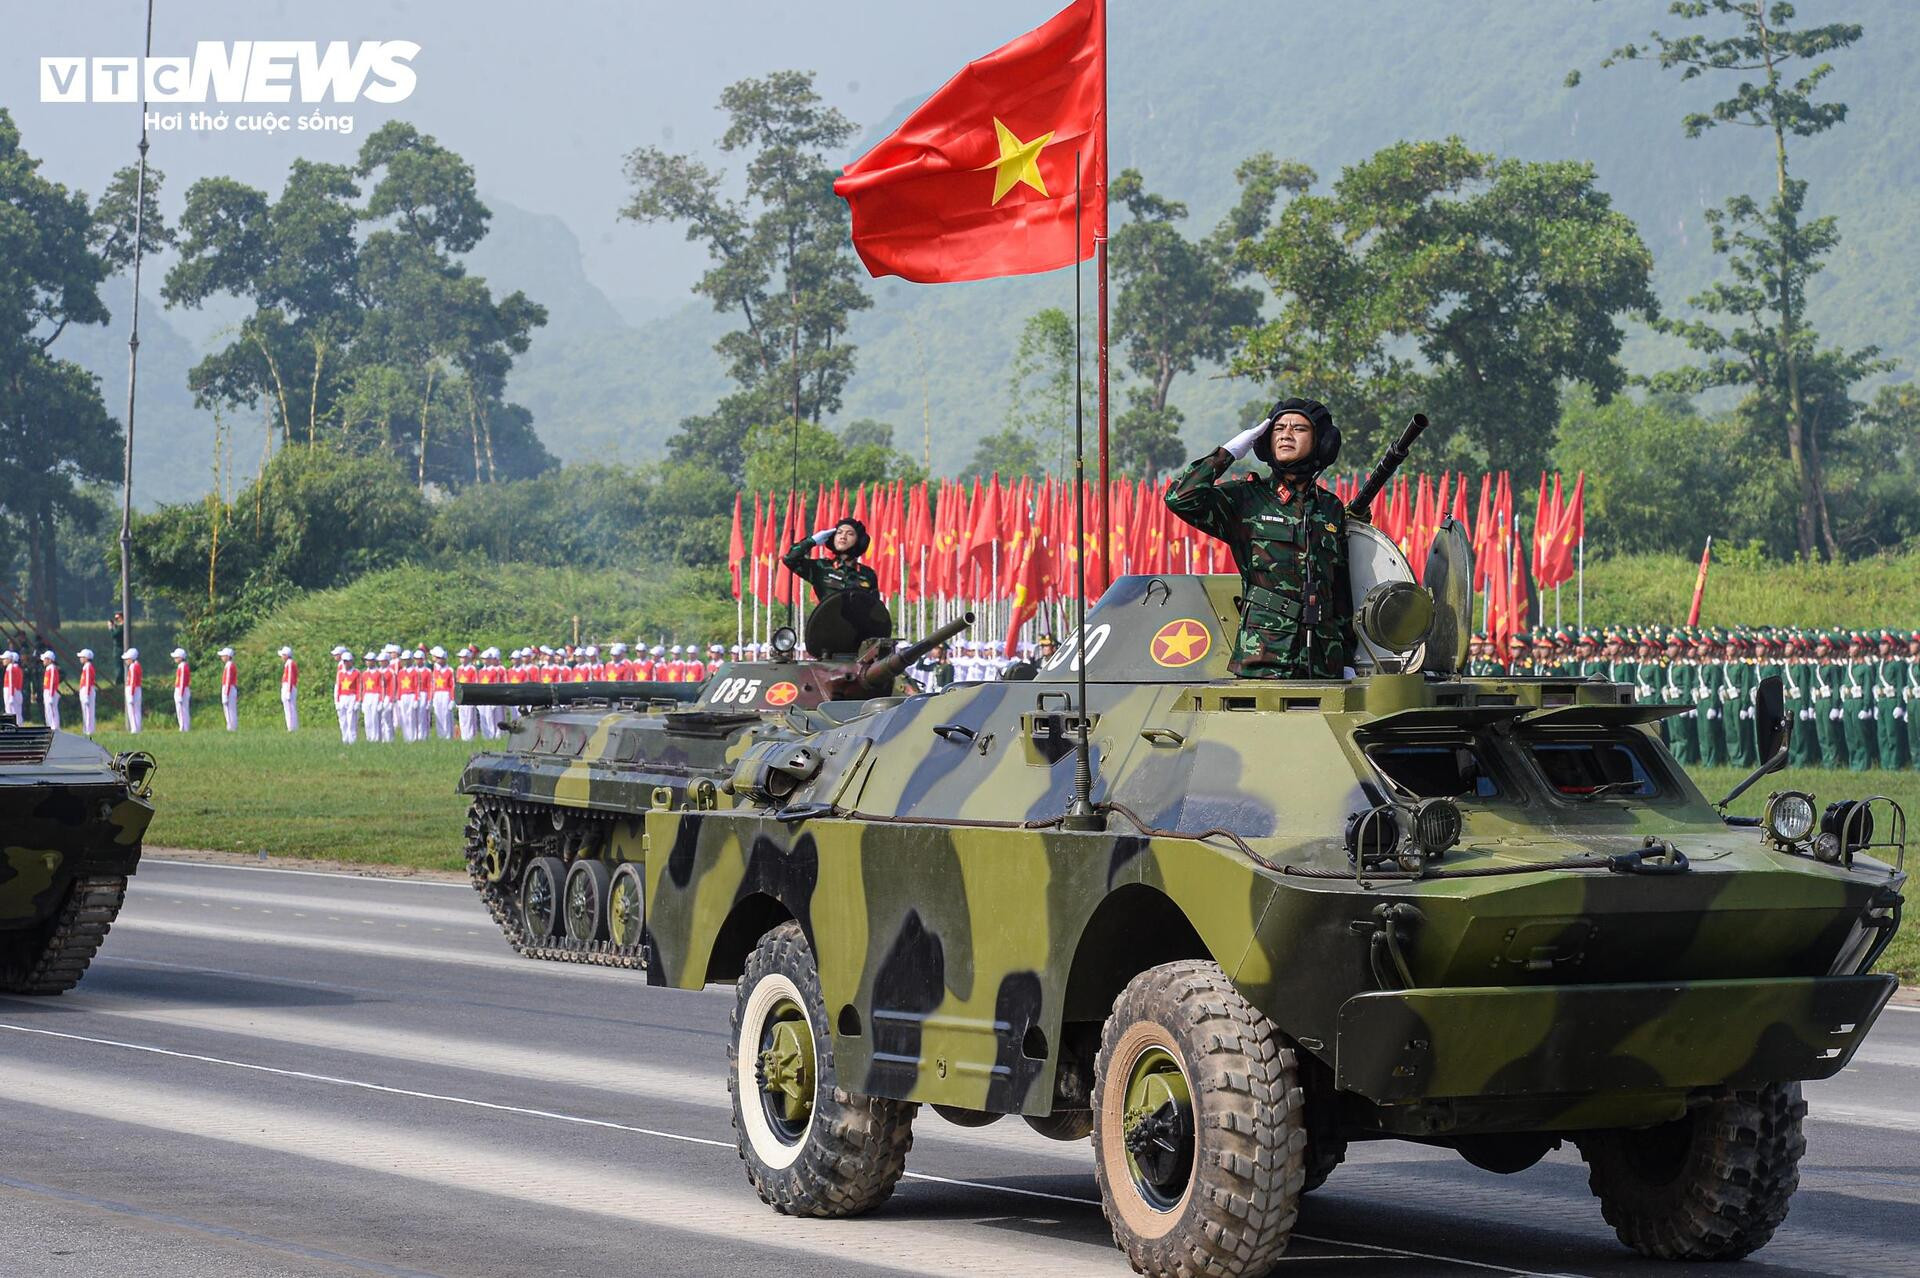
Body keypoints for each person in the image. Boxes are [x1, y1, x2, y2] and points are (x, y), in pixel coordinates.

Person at [1166, 398, 1354, 679]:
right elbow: (1181, 498)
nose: (1286, 434)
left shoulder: (1330, 507)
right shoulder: (1247, 499)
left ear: (1321, 442)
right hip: (1265, 656)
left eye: (1299, 428)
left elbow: (1339, 590)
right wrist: (1227, 453)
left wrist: (1347, 658)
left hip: (1323, 661)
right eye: (1279, 428)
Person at [784, 517, 879, 601]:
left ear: (859, 540)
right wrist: (812, 541)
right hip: (828, 620)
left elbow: (876, 609)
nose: (843, 537)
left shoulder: (868, 574)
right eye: (839, 533)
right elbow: (790, 559)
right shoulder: (821, 568)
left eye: (850, 534)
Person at [76, 648, 98, 735]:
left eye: (82, 657)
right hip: (85, 690)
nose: (80, 658)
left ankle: (89, 730)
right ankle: (86, 729)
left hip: (87, 690)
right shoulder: (86, 667)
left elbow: (88, 680)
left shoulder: (88, 667)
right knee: (85, 710)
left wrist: (87, 693)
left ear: (86, 658)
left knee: (89, 711)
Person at [278, 645, 300, 732]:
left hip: (288, 687)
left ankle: (291, 727)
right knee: (288, 708)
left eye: (283, 655)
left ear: (286, 655)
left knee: (290, 708)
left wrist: (288, 691)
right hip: (287, 686)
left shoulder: (290, 663)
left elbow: (290, 677)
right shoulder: (288, 663)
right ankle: (291, 726)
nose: (282, 657)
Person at [219, 646, 240, 731]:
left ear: (227, 656)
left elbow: (228, 680)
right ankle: (231, 727)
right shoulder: (229, 665)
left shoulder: (229, 666)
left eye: (223, 656)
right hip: (230, 689)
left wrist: (226, 694)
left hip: (229, 689)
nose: (222, 657)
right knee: (229, 709)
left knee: (230, 710)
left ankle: (231, 727)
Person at [123, 647, 143, 733]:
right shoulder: (137, 665)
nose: (126, 661)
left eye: (127, 659)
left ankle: (134, 728)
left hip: (133, 690)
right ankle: (136, 728)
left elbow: (132, 681)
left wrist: (131, 694)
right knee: (136, 710)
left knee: (132, 710)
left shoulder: (133, 667)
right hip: (136, 690)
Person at [171, 647, 192, 732]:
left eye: (176, 657)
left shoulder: (182, 666)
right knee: (181, 710)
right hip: (181, 689)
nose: (175, 659)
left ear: (180, 657)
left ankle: (183, 727)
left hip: (181, 690)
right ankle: (183, 727)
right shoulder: (182, 666)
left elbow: (182, 680)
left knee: (182, 710)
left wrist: (180, 693)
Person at [39, 651, 61, 730]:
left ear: (50, 660)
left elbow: (52, 682)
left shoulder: (51, 668)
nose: (43, 661)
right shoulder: (48, 668)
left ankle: (54, 727)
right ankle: (50, 726)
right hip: (47, 691)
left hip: (50, 692)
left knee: (52, 710)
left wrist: (51, 694)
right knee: (48, 710)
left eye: (45, 659)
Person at [1, 649, 23, 721]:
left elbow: (11, 682)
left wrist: (11, 696)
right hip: (15, 691)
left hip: (10, 691)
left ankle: (14, 727)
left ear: (9, 659)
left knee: (11, 711)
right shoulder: (17, 668)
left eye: (4, 659)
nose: (3, 660)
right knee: (16, 711)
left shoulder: (10, 668)